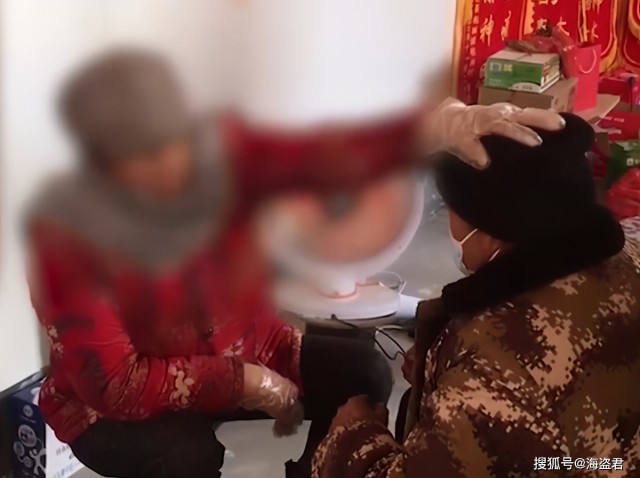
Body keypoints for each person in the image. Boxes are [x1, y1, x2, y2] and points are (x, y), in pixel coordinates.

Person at [25, 49, 565, 478]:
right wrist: (244, 382)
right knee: (187, 457)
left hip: (242, 354)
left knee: (364, 373)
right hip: (114, 410)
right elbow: (116, 385)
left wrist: (442, 125)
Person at [313, 114, 640, 477]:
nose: (450, 228)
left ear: (492, 228)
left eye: (453, 212)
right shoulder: (627, 261)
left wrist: (353, 436)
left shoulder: (499, 369)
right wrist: (440, 367)